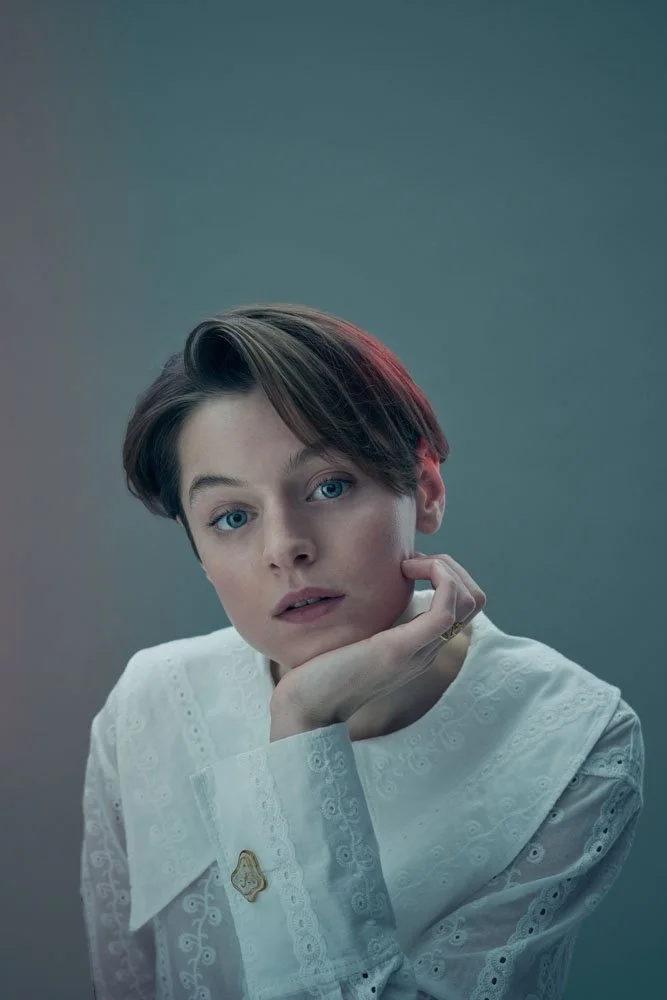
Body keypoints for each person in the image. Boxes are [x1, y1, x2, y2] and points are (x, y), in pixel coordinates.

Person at [80, 303, 644, 999]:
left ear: (426, 488)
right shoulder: (151, 703)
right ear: (198, 553)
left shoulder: (573, 739)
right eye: (231, 517)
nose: (285, 545)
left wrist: (299, 725)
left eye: (329, 486)